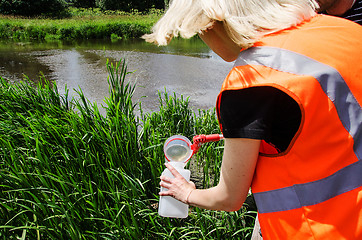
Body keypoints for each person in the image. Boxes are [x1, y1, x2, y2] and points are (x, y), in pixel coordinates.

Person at [143, 0, 362, 239]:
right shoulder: (344, 30)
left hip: (315, 227)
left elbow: (229, 198)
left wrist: (185, 193)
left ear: (212, 25)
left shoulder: (250, 81)